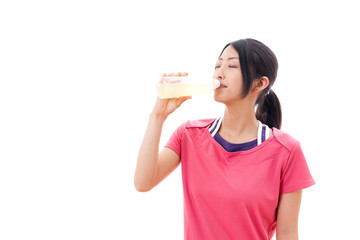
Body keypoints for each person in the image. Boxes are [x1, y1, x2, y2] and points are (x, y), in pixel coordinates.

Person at [134, 38, 315, 240]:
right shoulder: (189, 135)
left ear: (260, 83)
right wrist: (157, 116)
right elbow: (143, 182)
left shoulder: (286, 151)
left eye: (231, 66)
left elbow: (288, 234)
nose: (219, 73)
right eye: (217, 65)